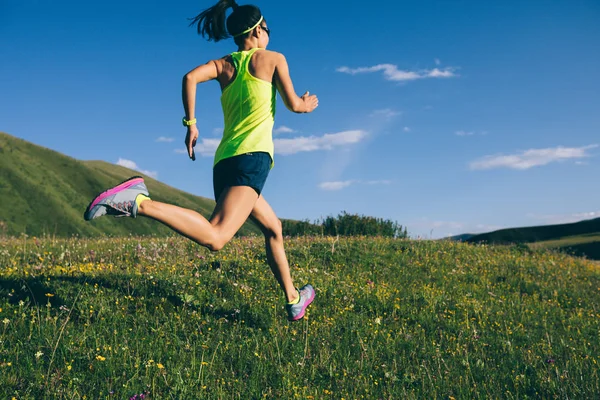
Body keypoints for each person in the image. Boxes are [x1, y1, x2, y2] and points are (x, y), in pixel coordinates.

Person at [84, 0, 318, 321]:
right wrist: (307, 103)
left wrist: (191, 124)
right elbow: (294, 105)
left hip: (225, 163)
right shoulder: (273, 59)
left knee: (273, 228)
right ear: (257, 29)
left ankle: (293, 297)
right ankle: (137, 201)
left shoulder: (224, 65)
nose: (269, 35)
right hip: (252, 159)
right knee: (217, 236)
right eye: (268, 30)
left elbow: (190, 77)